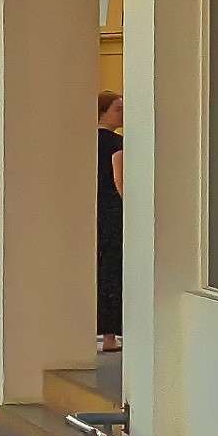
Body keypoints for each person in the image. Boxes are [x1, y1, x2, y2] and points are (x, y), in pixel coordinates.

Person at [94, 91, 125, 353]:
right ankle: (109, 336)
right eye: (118, 108)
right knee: (112, 270)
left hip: (90, 212)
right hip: (112, 212)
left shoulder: (85, 141)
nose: (123, 113)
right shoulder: (117, 144)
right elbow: (120, 181)